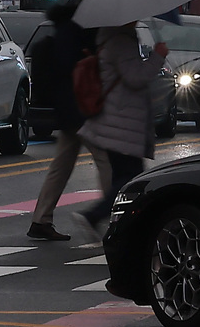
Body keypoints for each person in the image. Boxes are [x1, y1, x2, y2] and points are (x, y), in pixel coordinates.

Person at [72, 22, 168, 242]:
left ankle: (120, 229)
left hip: (118, 123)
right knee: (131, 182)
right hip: (122, 125)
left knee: (124, 180)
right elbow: (135, 78)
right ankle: (94, 216)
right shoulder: (121, 41)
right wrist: (158, 56)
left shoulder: (112, 37)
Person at [27, 1, 111, 241]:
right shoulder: (81, 31)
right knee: (105, 160)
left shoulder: (62, 29)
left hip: (67, 109)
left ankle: (40, 219)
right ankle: (114, 215)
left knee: (61, 166)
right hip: (83, 108)